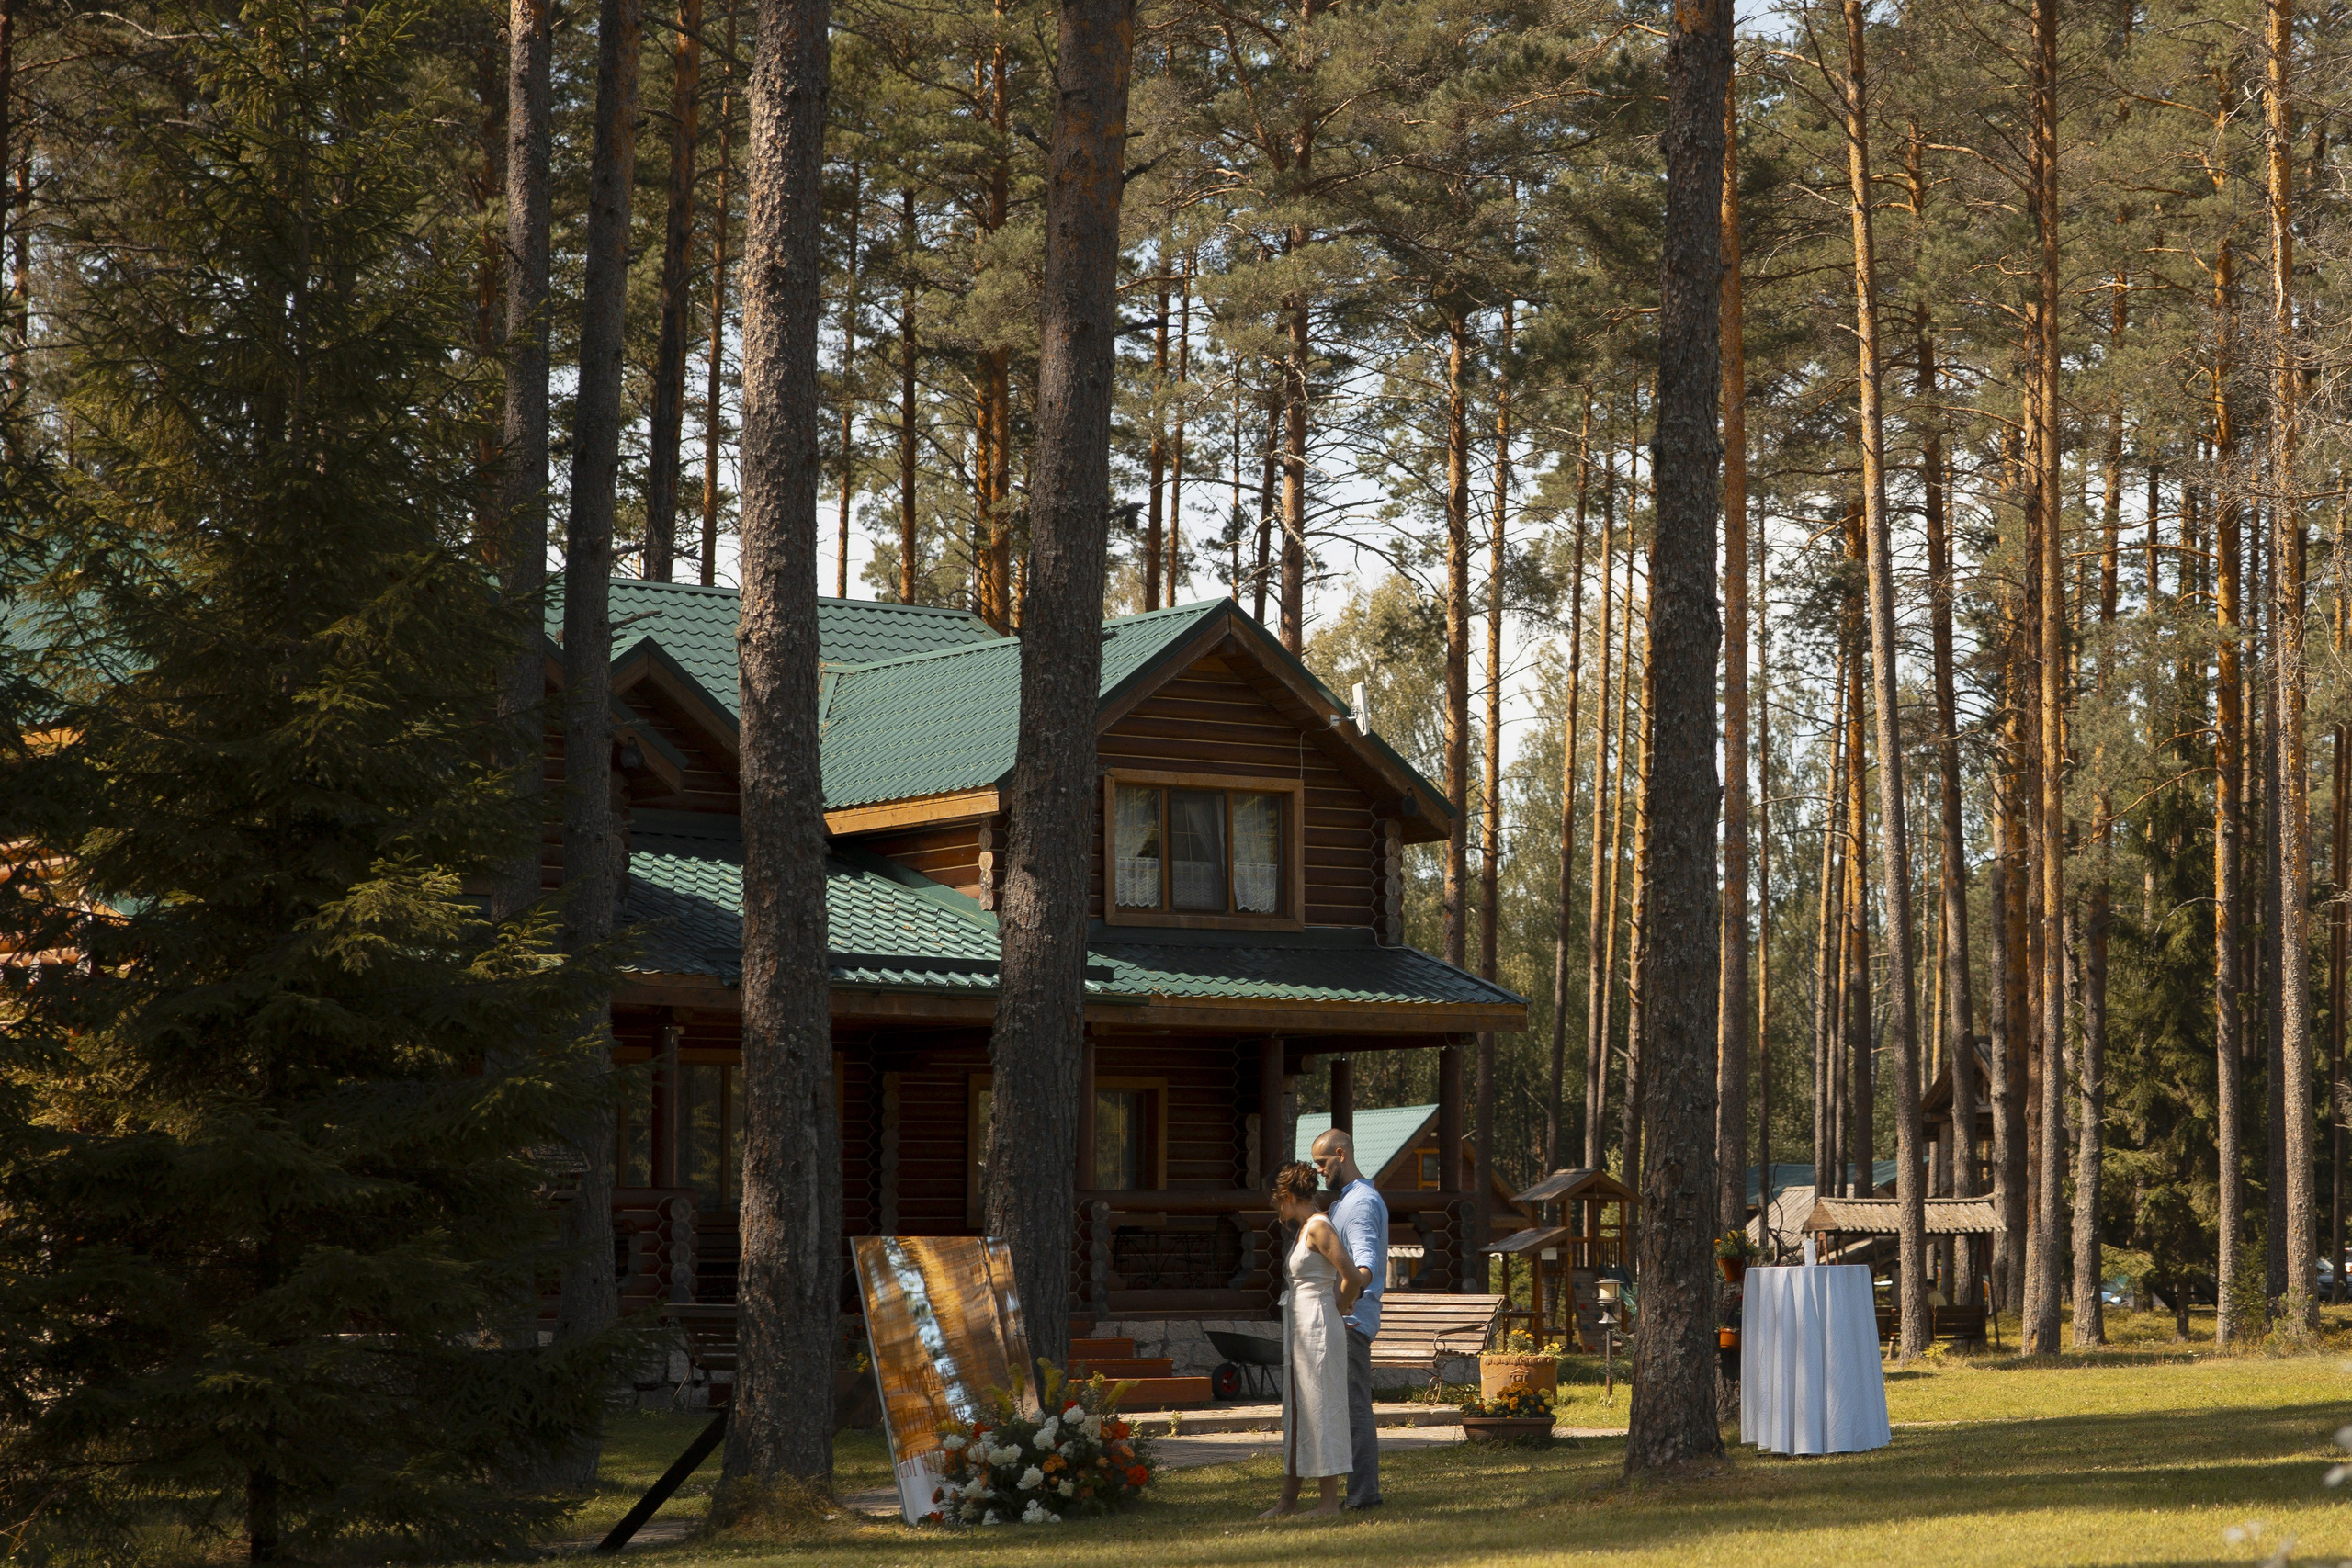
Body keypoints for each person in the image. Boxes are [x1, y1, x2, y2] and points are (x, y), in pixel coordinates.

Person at [1261, 1160, 1367, 1518]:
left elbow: (1351, 1275)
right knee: (1298, 1410)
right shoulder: (1305, 1227)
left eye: (1279, 1203)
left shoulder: (1319, 1227)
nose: (1279, 1211)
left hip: (1320, 1325)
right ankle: (1288, 1499)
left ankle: (1328, 1504)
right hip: (1301, 1327)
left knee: (1322, 1408)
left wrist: (1340, 1306)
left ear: (1289, 1196)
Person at [1312, 1127, 1387, 1509]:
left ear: (1341, 1155)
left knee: (1355, 1409)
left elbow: (1365, 1267)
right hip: (1347, 1320)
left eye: (1323, 1163)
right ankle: (1360, 1493)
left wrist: (1344, 1307)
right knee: (1348, 1407)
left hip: (1351, 1323)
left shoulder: (1360, 1204)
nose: (1321, 1171)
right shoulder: (1346, 1200)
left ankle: (1364, 1497)